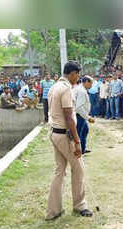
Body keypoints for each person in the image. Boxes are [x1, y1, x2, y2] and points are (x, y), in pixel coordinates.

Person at [45, 61, 93, 220]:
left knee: (59, 171)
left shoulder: (54, 87)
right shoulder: (65, 89)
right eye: (77, 74)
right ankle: (79, 205)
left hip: (54, 132)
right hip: (63, 134)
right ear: (72, 73)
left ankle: (53, 211)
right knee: (78, 168)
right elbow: (69, 117)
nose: (78, 77)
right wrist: (77, 141)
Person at [74, 76, 95, 155]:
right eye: (90, 83)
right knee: (78, 133)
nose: (91, 85)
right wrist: (88, 117)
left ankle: (82, 149)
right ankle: (78, 151)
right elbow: (79, 107)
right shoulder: (81, 91)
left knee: (85, 130)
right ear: (86, 82)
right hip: (80, 115)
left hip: (81, 115)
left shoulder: (80, 89)